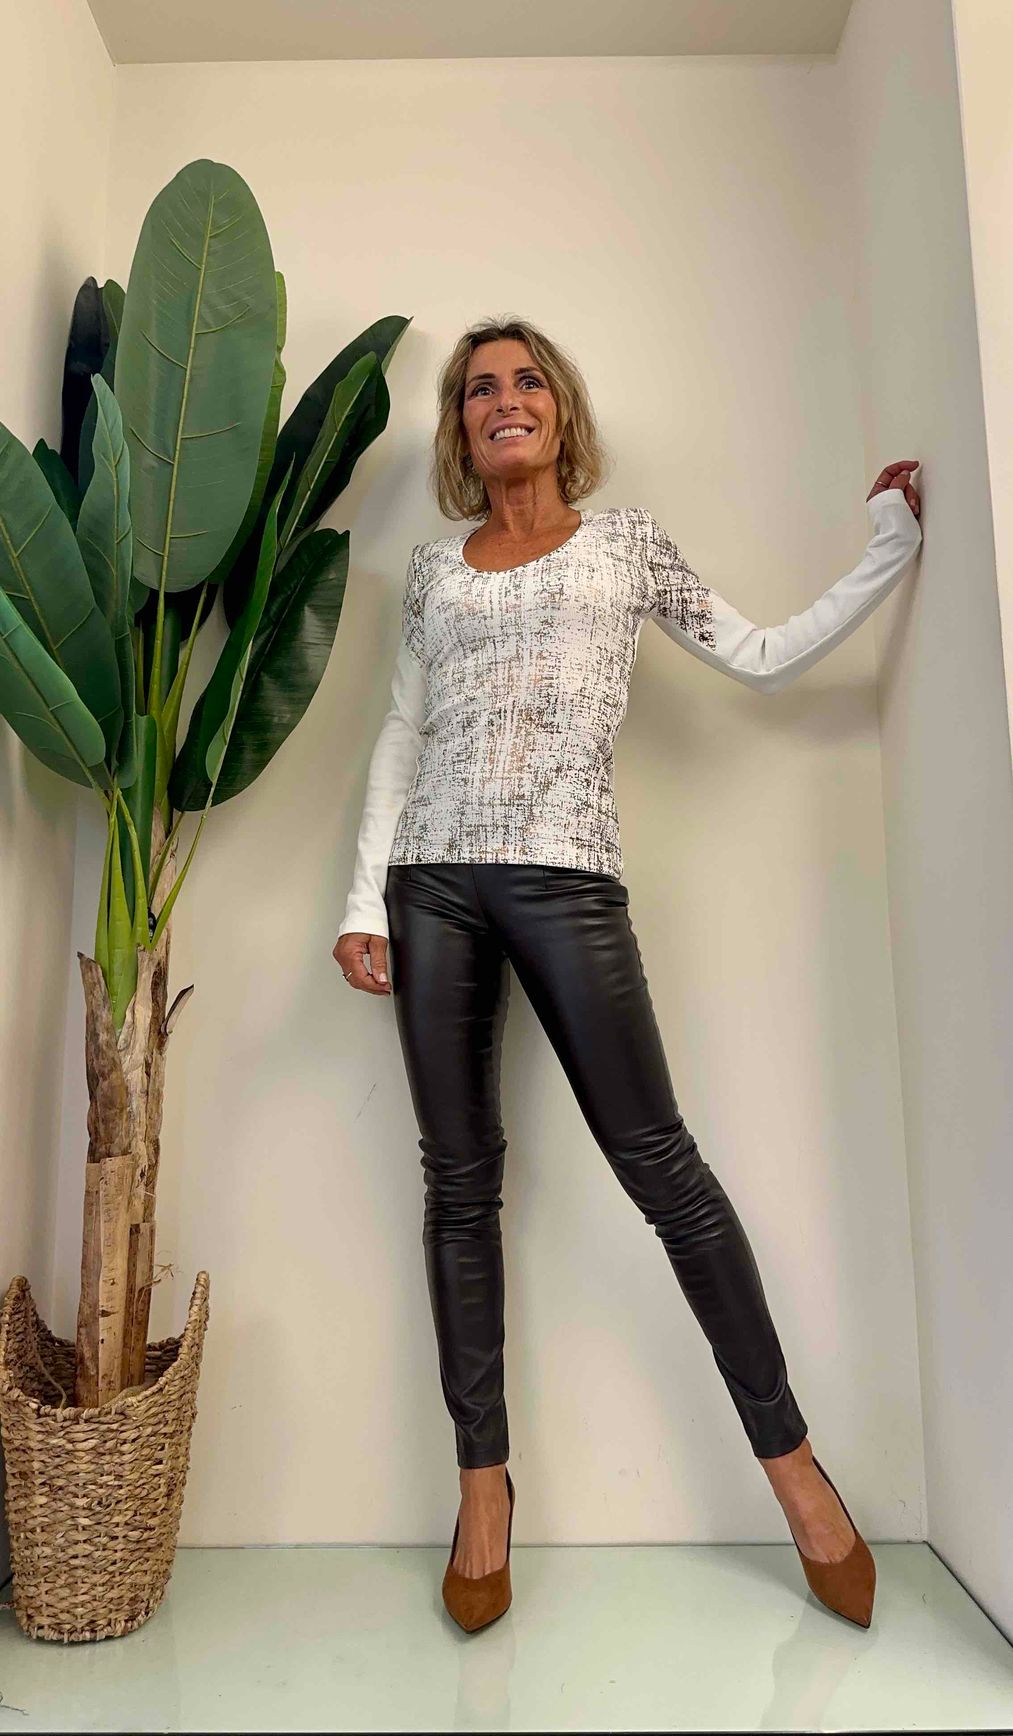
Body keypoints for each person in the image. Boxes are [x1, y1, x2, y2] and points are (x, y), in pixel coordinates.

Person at [333, 315, 923, 1634]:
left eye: (525, 380)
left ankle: (795, 1473)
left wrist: (890, 544)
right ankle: (482, 1490)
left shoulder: (626, 545)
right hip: (433, 886)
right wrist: (364, 899)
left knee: (663, 1170)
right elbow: (402, 732)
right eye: (478, 388)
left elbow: (761, 655)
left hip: (565, 880)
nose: (504, 400)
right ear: (461, 426)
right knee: (458, 1187)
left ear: (560, 409)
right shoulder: (432, 573)